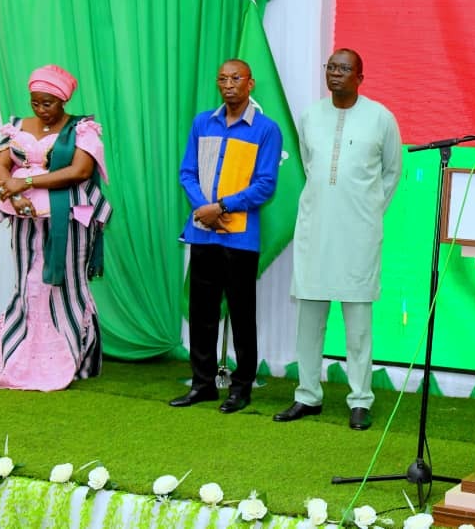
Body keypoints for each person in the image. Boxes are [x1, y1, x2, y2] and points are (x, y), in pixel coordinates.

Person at [273, 48, 402, 430]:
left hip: (358, 234)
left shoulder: (381, 118)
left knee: (358, 324)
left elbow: (392, 172)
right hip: (315, 229)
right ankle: (307, 395)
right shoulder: (310, 117)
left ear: (360, 77)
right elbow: (309, 165)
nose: (335, 73)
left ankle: (360, 399)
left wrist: (368, 211)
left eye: (344, 69)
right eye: (331, 67)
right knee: (309, 320)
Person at [0, 64, 111, 391]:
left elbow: (80, 171)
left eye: (48, 103)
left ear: (62, 100)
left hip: (69, 216)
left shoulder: (81, 128)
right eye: (35, 102)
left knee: (67, 284)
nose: (41, 109)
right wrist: (11, 194)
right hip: (24, 216)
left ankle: (70, 357)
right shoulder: (17, 126)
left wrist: (25, 181)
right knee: (28, 282)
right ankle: (19, 355)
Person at [170, 59, 282, 413]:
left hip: (240, 238)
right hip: (203, 234)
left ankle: (241, 388)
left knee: (241, 314)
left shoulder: (266, 129)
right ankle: (202, 384)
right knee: (201, 312)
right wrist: (203, 208)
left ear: (250, 84)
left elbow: (265, 185)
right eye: (222, 79)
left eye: (236, 78)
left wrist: (220, 207)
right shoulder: (203, 122)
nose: (228, 84)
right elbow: (187, 173)